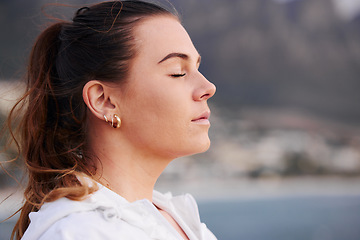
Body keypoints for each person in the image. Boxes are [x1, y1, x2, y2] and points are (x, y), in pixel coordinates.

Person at [7, 1, 216, 239]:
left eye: (197, 67)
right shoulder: (79, 231)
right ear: (104, 100)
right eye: (178, 71)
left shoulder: (171, 217)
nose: (208, 87)